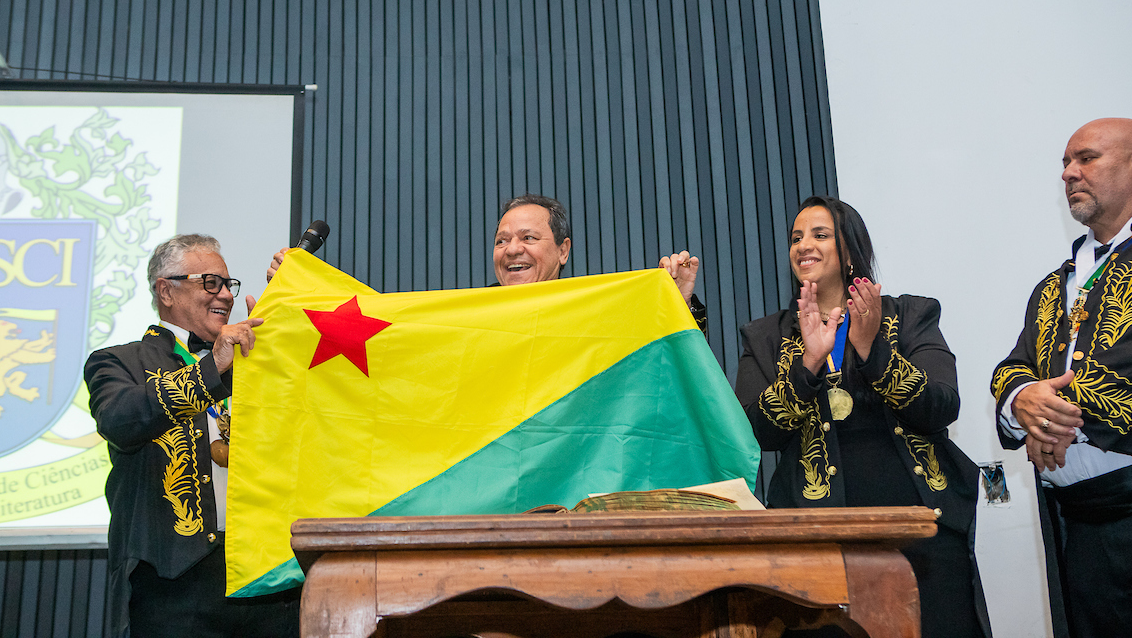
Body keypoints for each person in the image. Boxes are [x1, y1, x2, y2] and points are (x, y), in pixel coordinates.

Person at [735, 196, 990, 638]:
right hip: (813, 540)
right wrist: (807, 367)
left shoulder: (909, 315)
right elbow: (758, 432)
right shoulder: (766, 335)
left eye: (819, 234)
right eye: (796, 237)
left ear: (850, 251)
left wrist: (875, 352)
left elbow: (941, 405)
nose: (802, 245)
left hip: (919, 531)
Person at [85, 234, 299, 638]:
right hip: (171, 583)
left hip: (267, 579)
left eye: (228, 285)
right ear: (166, 290)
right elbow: (120, 419)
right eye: (211, 283)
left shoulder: (255, 360)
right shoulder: (118, 361)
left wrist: (289, 306)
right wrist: (213, 367)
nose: (226, 296)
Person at [991, 117, 1132, 638]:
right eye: (1065, 164)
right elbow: (1012, 368)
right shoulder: (1055, 283)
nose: (1069, 174)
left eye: (1087, 158)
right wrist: (1022, 401)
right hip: (1069, 518)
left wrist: (1050, 419)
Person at [268, 194, 708, 326]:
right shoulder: (465, 317)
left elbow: (670, 369)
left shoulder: (601, 312)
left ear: (564, 250)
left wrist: (679, 304)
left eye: (528, 237)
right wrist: (299, 295)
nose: (512, 249)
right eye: (501, 240)